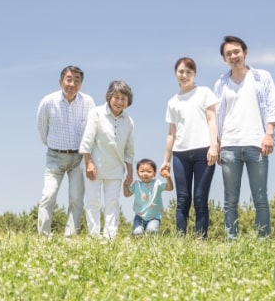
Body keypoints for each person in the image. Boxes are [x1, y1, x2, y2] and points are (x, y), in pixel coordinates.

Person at [214, 35, 275, 239]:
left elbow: (272, 107)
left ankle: (263, 240)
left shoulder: (262, 77)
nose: (233, 56)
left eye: (236, 52)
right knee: (230, 199)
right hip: (229, 145)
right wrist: (216, 143)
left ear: (245, 52)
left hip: (257, 143)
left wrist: (269, 134)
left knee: (260, 196)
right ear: (224, 59)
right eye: (228, 54)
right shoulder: (221, 83)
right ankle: (231, 240)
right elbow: (217, 115)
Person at [160, 57, 219, 239]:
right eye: (181, 72)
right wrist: (166, 161)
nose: (184, 75)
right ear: (175, 73)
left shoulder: (204, 92)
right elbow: (172, 133)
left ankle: (201, 239)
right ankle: (180, 240)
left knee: (200, 198)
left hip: (204, 151)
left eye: (188, 72)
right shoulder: (172, 102)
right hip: (180, 154)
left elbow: (211, 119)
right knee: (182, 199)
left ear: (195, 74)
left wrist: (214, 145)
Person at [36, 65, 96, 237]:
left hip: (79, 157)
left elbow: (91, 130)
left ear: (81, 83)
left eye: (77, 80)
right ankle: (43, 237)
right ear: (61, 81)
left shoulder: (88, 102)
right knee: (48, 195)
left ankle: (70, 237)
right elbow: (42, 129)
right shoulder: (48, 101)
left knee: (76, 198)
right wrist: (53, 145)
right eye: (69, 79)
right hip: (55, 157)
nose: (72, 83)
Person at [79, 80, 135, 239]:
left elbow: (129, 150)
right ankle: (94, 236)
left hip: (116, 169)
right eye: (116, 97)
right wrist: (88, 162)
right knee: (93, 202)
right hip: (94, 167)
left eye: (124, 99)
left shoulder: (129, 122)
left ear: (128, 102)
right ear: (109, 97)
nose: (119, 102)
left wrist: (130, 173)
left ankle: (110, 237)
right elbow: (87, 140)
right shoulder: (96, 113)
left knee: (112, 203)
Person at [124, 158, 173, 236]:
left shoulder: (157, 183)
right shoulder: (137, 184)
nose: (145, 173)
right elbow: (127, 194)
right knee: (137, 233)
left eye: (149, 171)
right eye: (142, 171)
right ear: (137, 173)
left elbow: (170, 188)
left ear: (154, 173)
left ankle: (152, 244)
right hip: (139, 216)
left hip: (154, 217)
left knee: (152, 231)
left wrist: (168, 177)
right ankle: (138, 244)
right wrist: (125, 185)